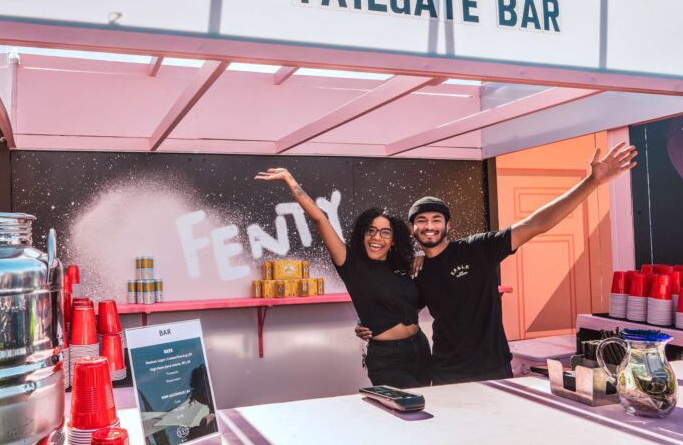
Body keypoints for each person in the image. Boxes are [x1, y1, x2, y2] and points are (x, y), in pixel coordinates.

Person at [356, 142, 638, 385]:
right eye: (422, 221)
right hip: (443, 372)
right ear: (412, 227)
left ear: (447, 224)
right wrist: (367, 324)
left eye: (436, 220)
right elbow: (396, 306)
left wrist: (593, 182)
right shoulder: (418, 270)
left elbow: (537, 223)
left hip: (493, 369)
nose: (429, 226)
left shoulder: (478, 249)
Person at [255, 167, 430, 387]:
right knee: (407, 411)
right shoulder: (351, 264)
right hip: (388, 359)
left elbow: (407, 304)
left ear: (393, 240)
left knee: (427, 409)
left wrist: (422, 255)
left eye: (385, 232)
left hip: (420, 348)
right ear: (362, 234)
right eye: (371, 230)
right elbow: (319, 219)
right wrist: (289, 179)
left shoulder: (404, 265)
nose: (377, 237)